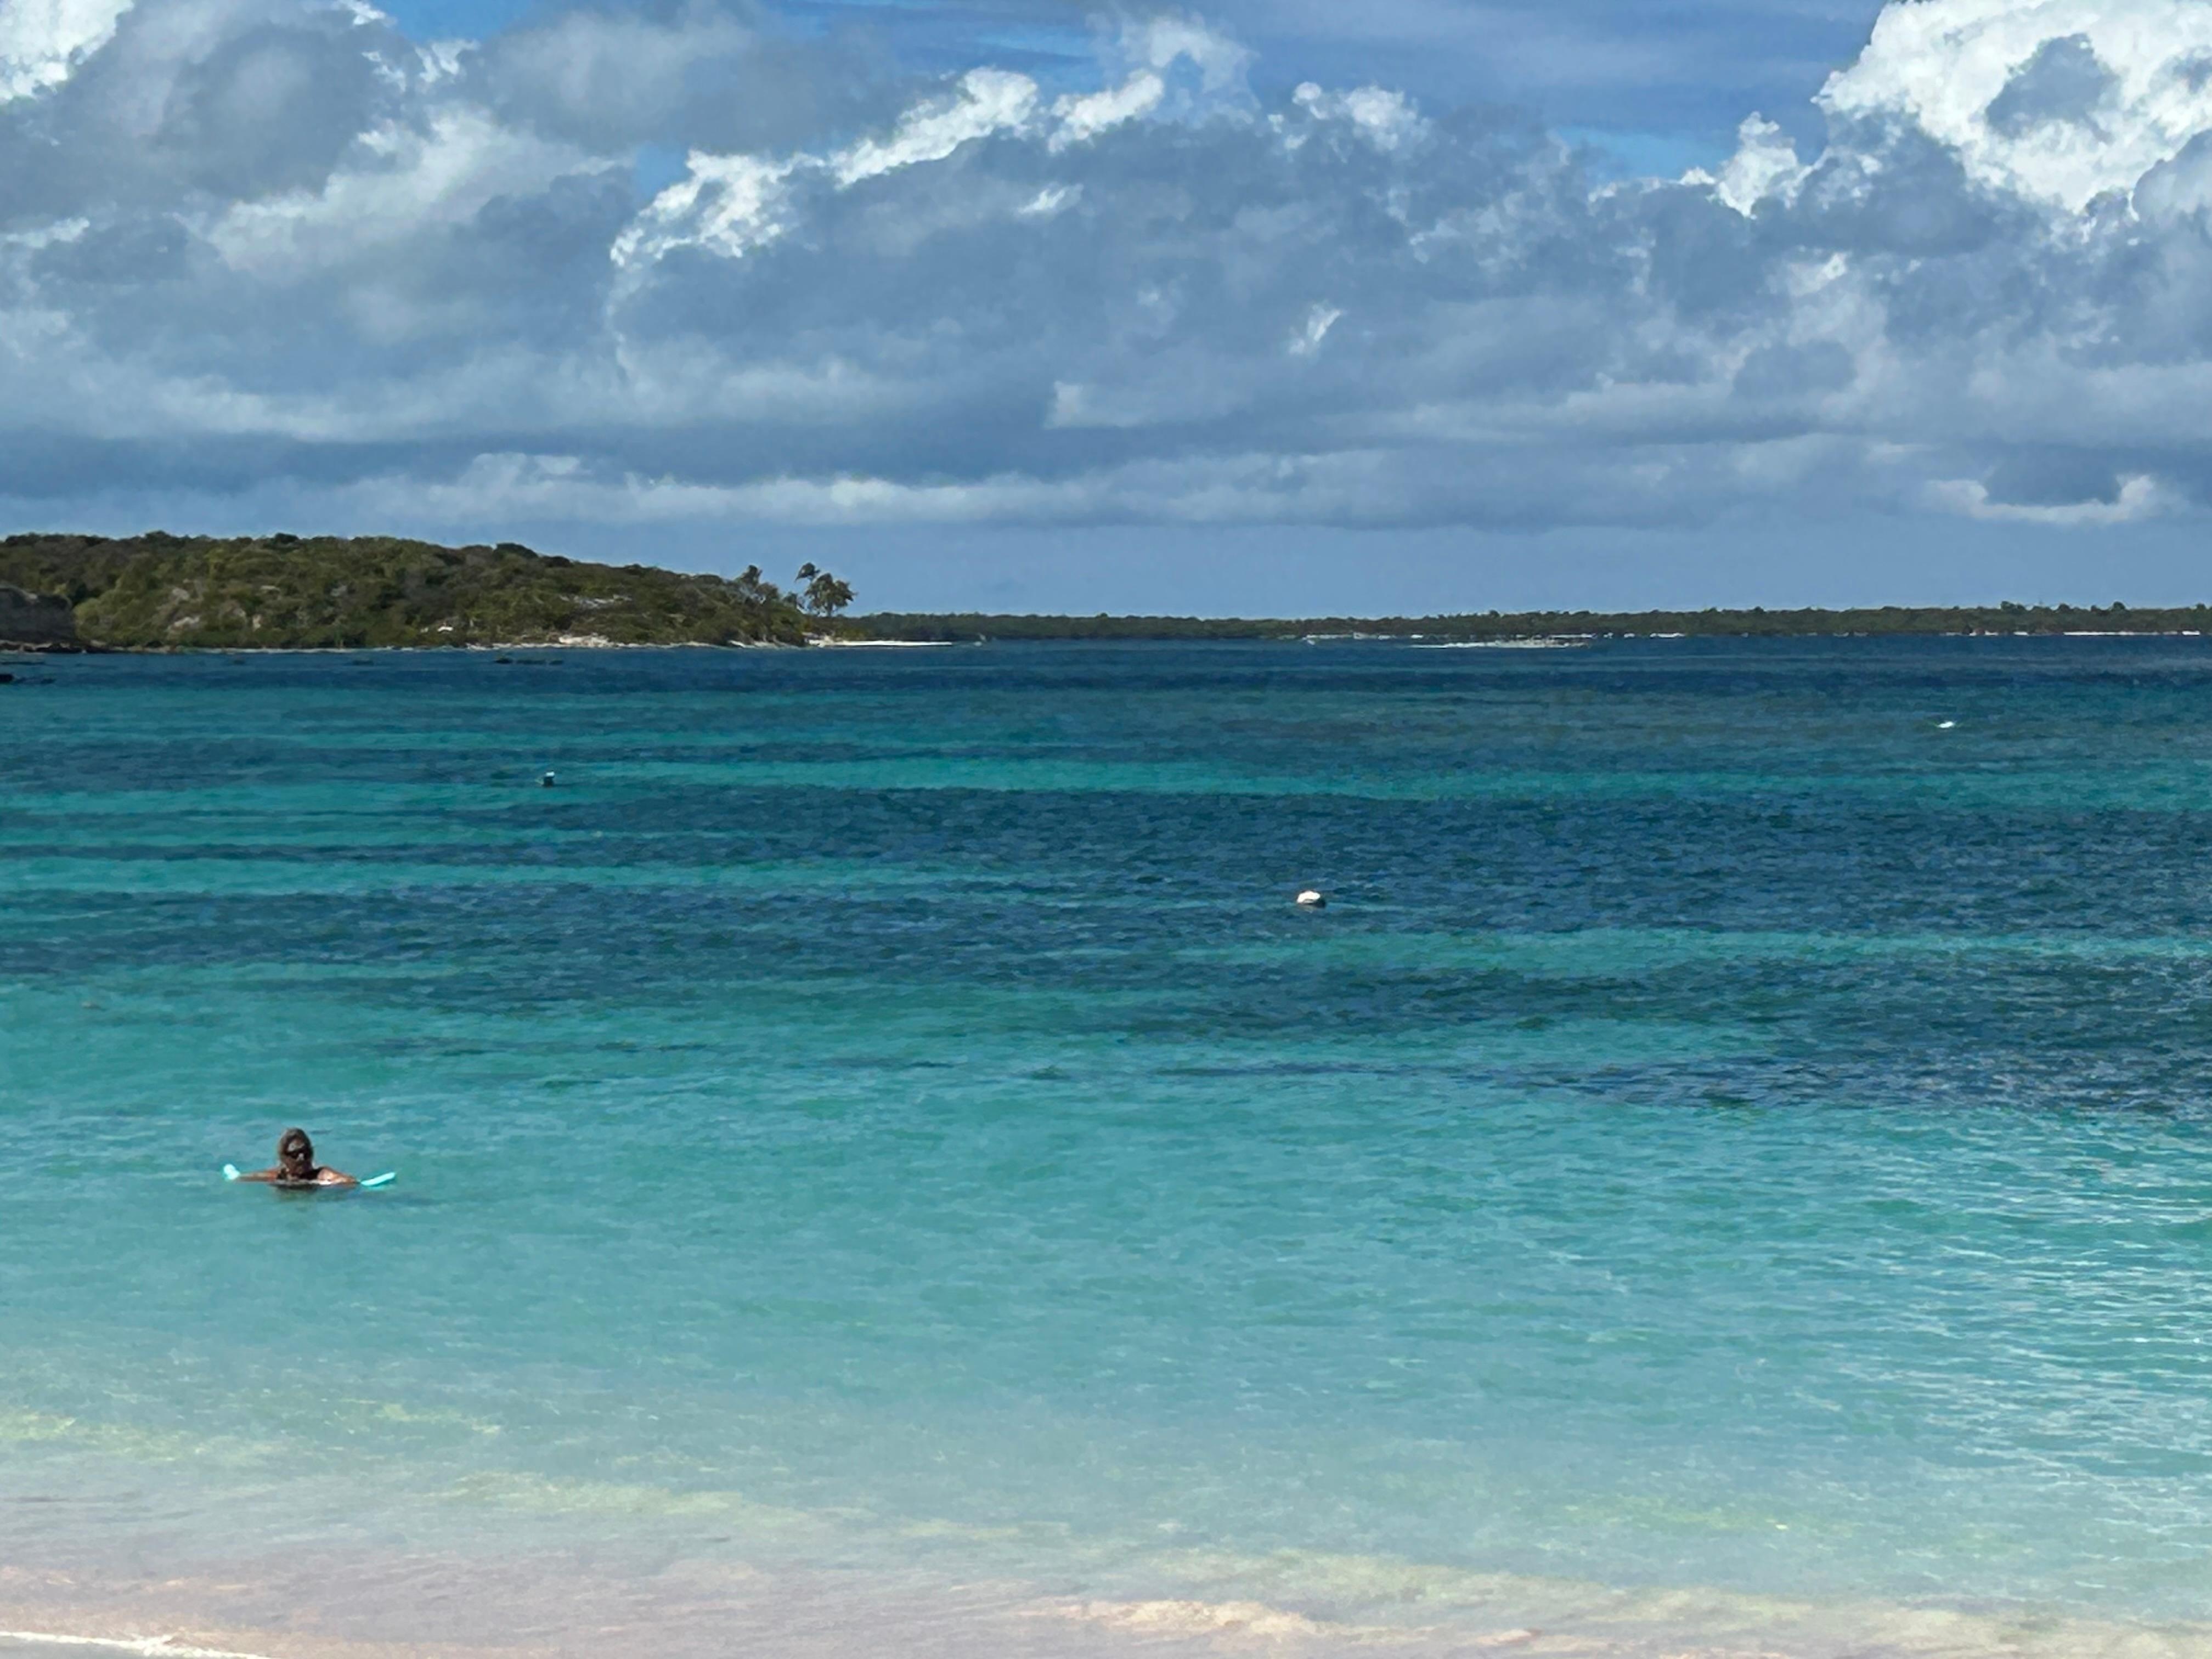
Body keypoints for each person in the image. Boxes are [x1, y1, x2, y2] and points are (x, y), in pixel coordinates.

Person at [233, 1127, 358, 1188]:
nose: (301, 1158)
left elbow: (350, 1182)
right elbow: (241, 1178)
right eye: (295, 1154)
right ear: (284, 1158)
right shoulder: (278, 1176)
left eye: (306, 1152)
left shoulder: (320, 1175)